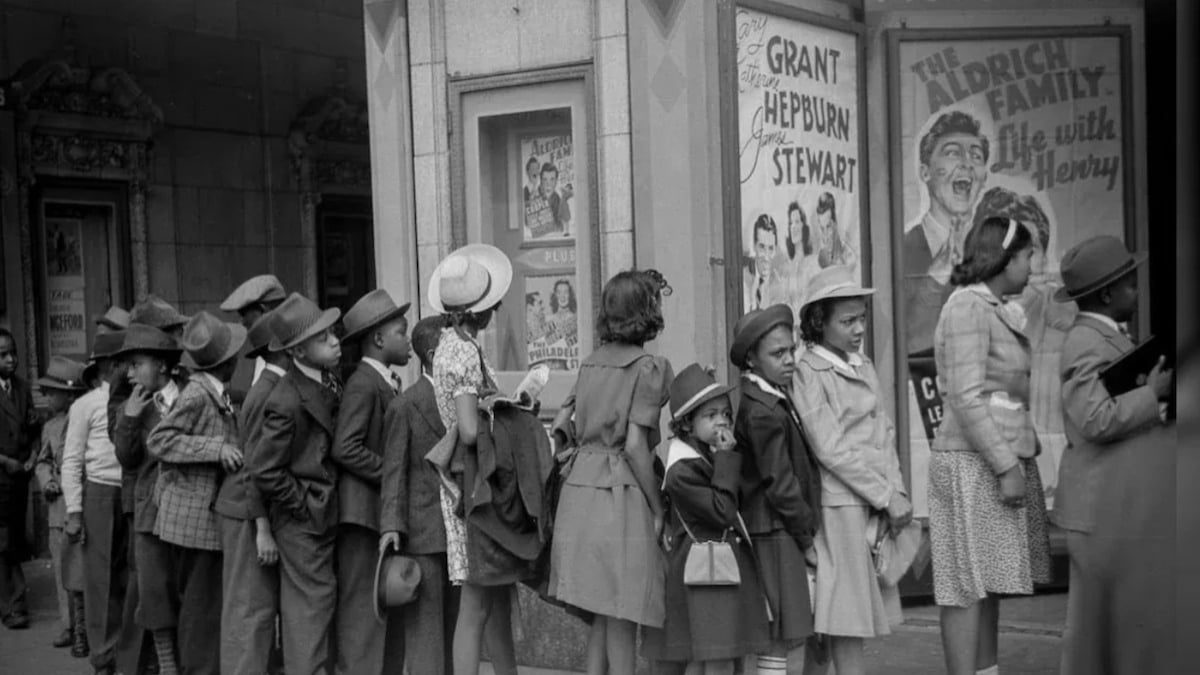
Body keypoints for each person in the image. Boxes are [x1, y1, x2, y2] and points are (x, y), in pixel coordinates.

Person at [929, 216, 1051, 675]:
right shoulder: (967, 307)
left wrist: (1022, 452)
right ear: (1003, 257)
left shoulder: (996, 307)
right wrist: (1005, 465)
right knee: (967, 583)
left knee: (990, 582)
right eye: (1025, 256)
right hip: (971, 460)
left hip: (991, 457)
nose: (1031, 265)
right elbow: (964, 395)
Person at [1052, 236, 1173, 675]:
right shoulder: (1086, 342)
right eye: (1130, 285)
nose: (1137, 293)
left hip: (1113, 506)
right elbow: (1094, 419)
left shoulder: (1103, 336)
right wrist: (1152, 394)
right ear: (1106, 293)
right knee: (1095, 635)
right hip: (1101, 510)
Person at [548, 268, 674, 675]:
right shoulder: (648, 367)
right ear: (646, 311)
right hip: (618, 493)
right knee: (622, 611)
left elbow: (561, 427)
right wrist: (657, 506)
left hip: (579, 492)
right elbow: (637, 445)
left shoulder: (588, 365)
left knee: (600, 618)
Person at [791, 267, 910, 675]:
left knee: (843, 617)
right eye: (848, 321)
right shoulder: (808, 372)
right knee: (843, 618)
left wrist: (896, 490)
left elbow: (885, 430)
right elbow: (830, 449)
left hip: (871, 502)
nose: (859, 328)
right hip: (840, 506)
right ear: (818, 322)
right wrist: (885, 494)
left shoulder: (862, 363)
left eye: (862, 318)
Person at [425, 244, 521, 675]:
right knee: (478, 600)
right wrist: (496, 404)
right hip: (472, 485)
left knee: (493, 596)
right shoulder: (463, 352)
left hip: (467, 481)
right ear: (474, 312)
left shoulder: (448, 345)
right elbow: (467, 429)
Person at [645, 363, 771, 675]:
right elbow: (722, 510)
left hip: (716, 570)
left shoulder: (707, 455)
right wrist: (727, 458)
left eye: (725, 413)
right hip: (704, 573)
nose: (722, 422)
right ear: (686, 424)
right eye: (710, 415)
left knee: (716, 654)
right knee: (715, 655)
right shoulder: (682, 470)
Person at [147, 312, 247, 675]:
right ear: (228, 361)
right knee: (200, 611)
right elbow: (158, 440)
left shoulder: (209, 391)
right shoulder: (197, 394)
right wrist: (215, 448)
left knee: (205, 607)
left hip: (201, 519)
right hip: (193, 523)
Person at [250, 293, 343, 675]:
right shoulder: (285, 399)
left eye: (332, 333)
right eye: (323, 338)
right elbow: (264, 469)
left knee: (317, 608)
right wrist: (303, 503)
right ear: (300, 352)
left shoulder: (327, 381)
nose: (335, 340)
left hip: (318, 516)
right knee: (310, 610)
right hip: (302, 522)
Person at [730, 304, 821, 674]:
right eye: (777, 353)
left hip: (775, 529)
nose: (789, 360)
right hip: (775, 530)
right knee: (780, 631)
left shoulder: (770, 398)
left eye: (791, 350)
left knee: (782, 630)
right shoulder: (763, 410)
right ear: (751, 359)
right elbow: (780, 483)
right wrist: (806, 536)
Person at [332, 289, 411, 675]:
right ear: (378, 340)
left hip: (374, 516)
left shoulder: (383, 381)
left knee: (379, 611)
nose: (408, 339)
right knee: (362, 616)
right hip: (361, 517)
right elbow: (345, 447)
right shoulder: (364, 383)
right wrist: (393, 475)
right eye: (402, 331)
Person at [380, 315, 460, 675]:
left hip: (458, 531)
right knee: (426, 633)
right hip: (423, 532)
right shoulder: (405, 405)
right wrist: (391, 526)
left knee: (456, 626)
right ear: (433, 354)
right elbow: (394, 470)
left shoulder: (463, 399)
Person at [110, 324, 188, 674]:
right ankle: (168, 665)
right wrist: (129, 419)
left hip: (190, 511)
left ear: (160, 364)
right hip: (150, 513)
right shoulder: (129, 407)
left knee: (190, 591)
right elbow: (126, 460)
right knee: (154, 593)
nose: (130, 372)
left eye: (136, 363)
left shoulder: (191, 394)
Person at [214, 310, 285, 675]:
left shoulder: (272, 387)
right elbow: (256, 466)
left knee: (254, 610)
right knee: (249, 610)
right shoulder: (266, 393)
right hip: (244, 510)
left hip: (248, 507)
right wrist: (262, 529)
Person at [61, 330, 129, 675]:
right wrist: (73, 511)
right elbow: (71, 460)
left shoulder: (137, 398)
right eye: (123, 362)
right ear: (107, 365)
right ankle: (104, 656)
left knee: (131, 577)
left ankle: (131, 653)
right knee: (100, 580)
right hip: (99, 495)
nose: (129, 368)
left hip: (132, 491)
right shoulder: (84, 405)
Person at [903, 110, 990, 356]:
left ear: (985, 177)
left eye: (976, 156)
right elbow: (907, 338)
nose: (966, 163)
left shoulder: (996, 249)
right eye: (952, 153)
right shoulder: (901, 251)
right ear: (925, 172)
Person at [32, 356, 89, 654]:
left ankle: (88, 626)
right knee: (61, 570)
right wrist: (47, 481)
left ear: (70, 394)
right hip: (58, 509)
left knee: (85, 567)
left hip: (83, 505)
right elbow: (43, 460)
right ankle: (69, 625)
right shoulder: (50, 427)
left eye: (53, 392)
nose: (47, 397)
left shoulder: (87, 420)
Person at [0, 327, 39, 633]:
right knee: (3, 542)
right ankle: (13, 606)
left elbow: (33, 429)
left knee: (12, 539)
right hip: (1, 475)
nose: (11, 359)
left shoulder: (23, 388)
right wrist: (5, 461)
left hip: (19, 479)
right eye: (3, 355)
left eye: (13, 352)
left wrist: (33, 456)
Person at [220, 274, 288, 385]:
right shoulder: (266, 350)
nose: (241, 322)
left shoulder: (296, 353)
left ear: (263, 310)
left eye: (243, 314)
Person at [744, 214, 783, 312]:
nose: (766, 257)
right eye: (762, 247)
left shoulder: (779, 285)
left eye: (770, 249)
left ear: (775, 250)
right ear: (754, 246)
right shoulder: (743, 278)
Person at [814, 193, 856, 270]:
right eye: (822, 229)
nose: (825, 235)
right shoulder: (818, 257)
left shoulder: (847, 254)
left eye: (828, 227)